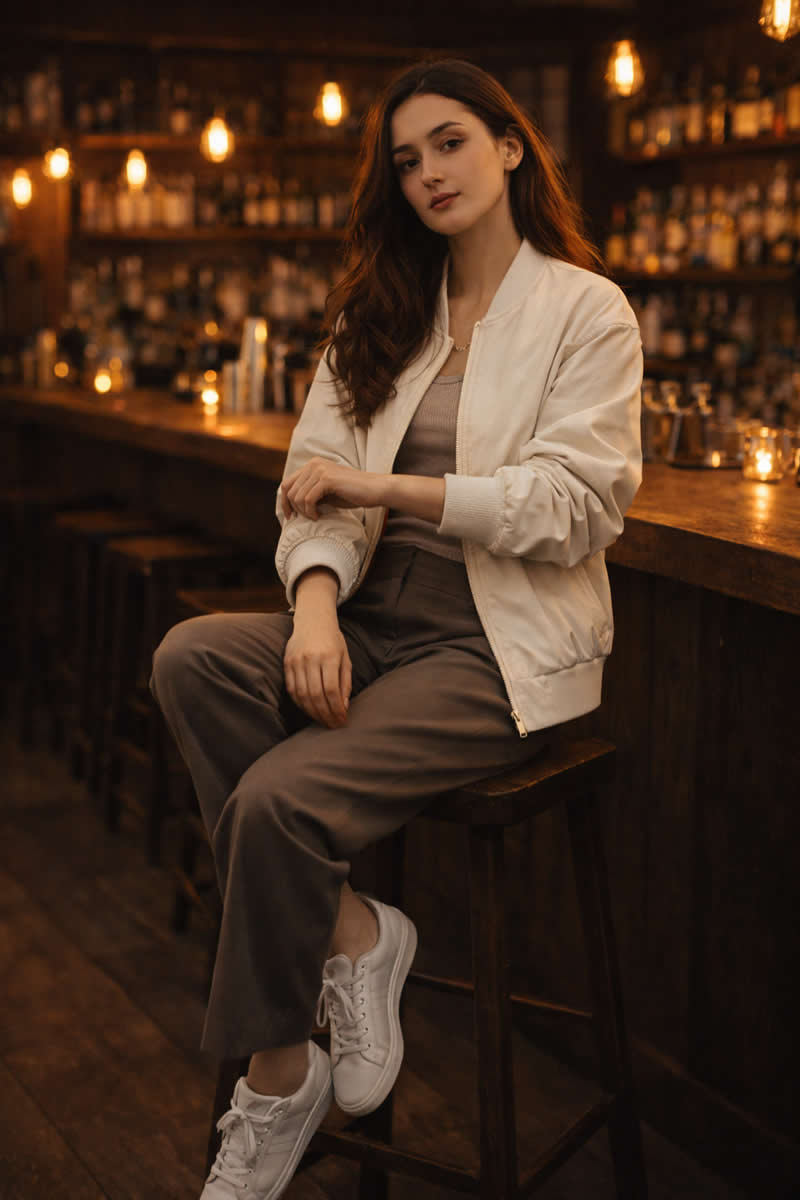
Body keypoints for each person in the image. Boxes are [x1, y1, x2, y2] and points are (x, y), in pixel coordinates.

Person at [150, 56, 643, 1200]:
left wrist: (393, 495)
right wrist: (314, 601)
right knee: (191, 658)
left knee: (275, 801)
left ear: (510, 147)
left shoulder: (584, 309)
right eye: (406, 158)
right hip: (369, 616)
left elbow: (576, 507)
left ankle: (276, 1083)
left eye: (450, 143)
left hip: (492, 643)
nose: (427, 172)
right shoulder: (380, 313)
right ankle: (355, 932)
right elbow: (306, 483)